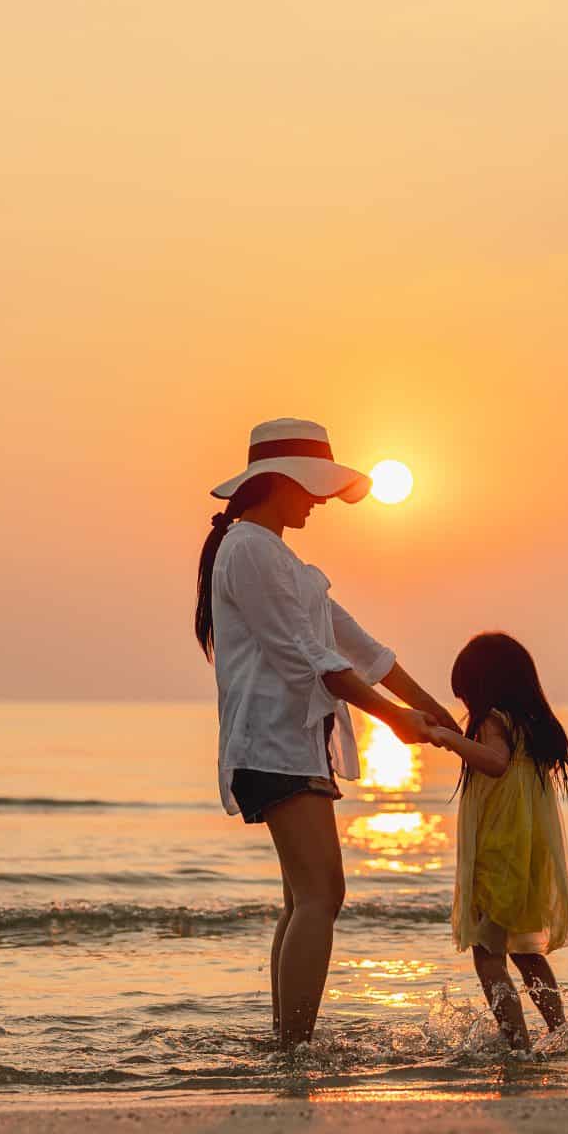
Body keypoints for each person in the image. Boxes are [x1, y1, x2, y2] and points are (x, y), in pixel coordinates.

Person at [197, 418, 457, 1046]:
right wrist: (394, 720)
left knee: (305, 899)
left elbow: (358, 646)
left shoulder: (279, 556)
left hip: (294, 742)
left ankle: (287, 1042)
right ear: (278, 481)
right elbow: (308, 658)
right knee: (321, 895)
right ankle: (294, 1047)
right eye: (312, 486)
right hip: (273, 743)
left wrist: (435, 709)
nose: (319, 500)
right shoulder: (251, 548)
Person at [426, 633, 568, 1050]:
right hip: (527, 855)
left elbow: (496, 764)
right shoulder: (532, 727)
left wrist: (449, 740)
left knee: (487, 952)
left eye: (467, 697)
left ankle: (516, 1042)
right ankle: (560, 1033)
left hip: (500, 854)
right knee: (526, 952)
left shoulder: (493, 722)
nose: (467, 708)